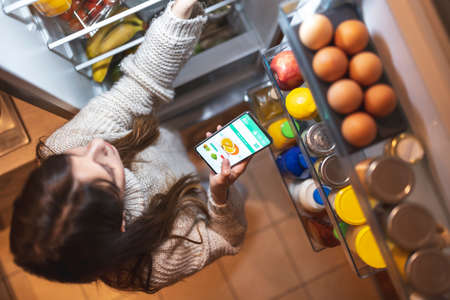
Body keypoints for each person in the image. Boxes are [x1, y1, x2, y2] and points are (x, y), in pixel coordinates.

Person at [9, 0, 249, 294]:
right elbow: (227, 238)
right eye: (105, 170)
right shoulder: (156, 265)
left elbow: (139, 86)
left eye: (75, 157)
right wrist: (220, 195)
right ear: (121, 221)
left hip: (166, 142)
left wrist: (179, 13)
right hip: (203, 195)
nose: (96, 145)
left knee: (182, 138)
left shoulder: (63, 146)